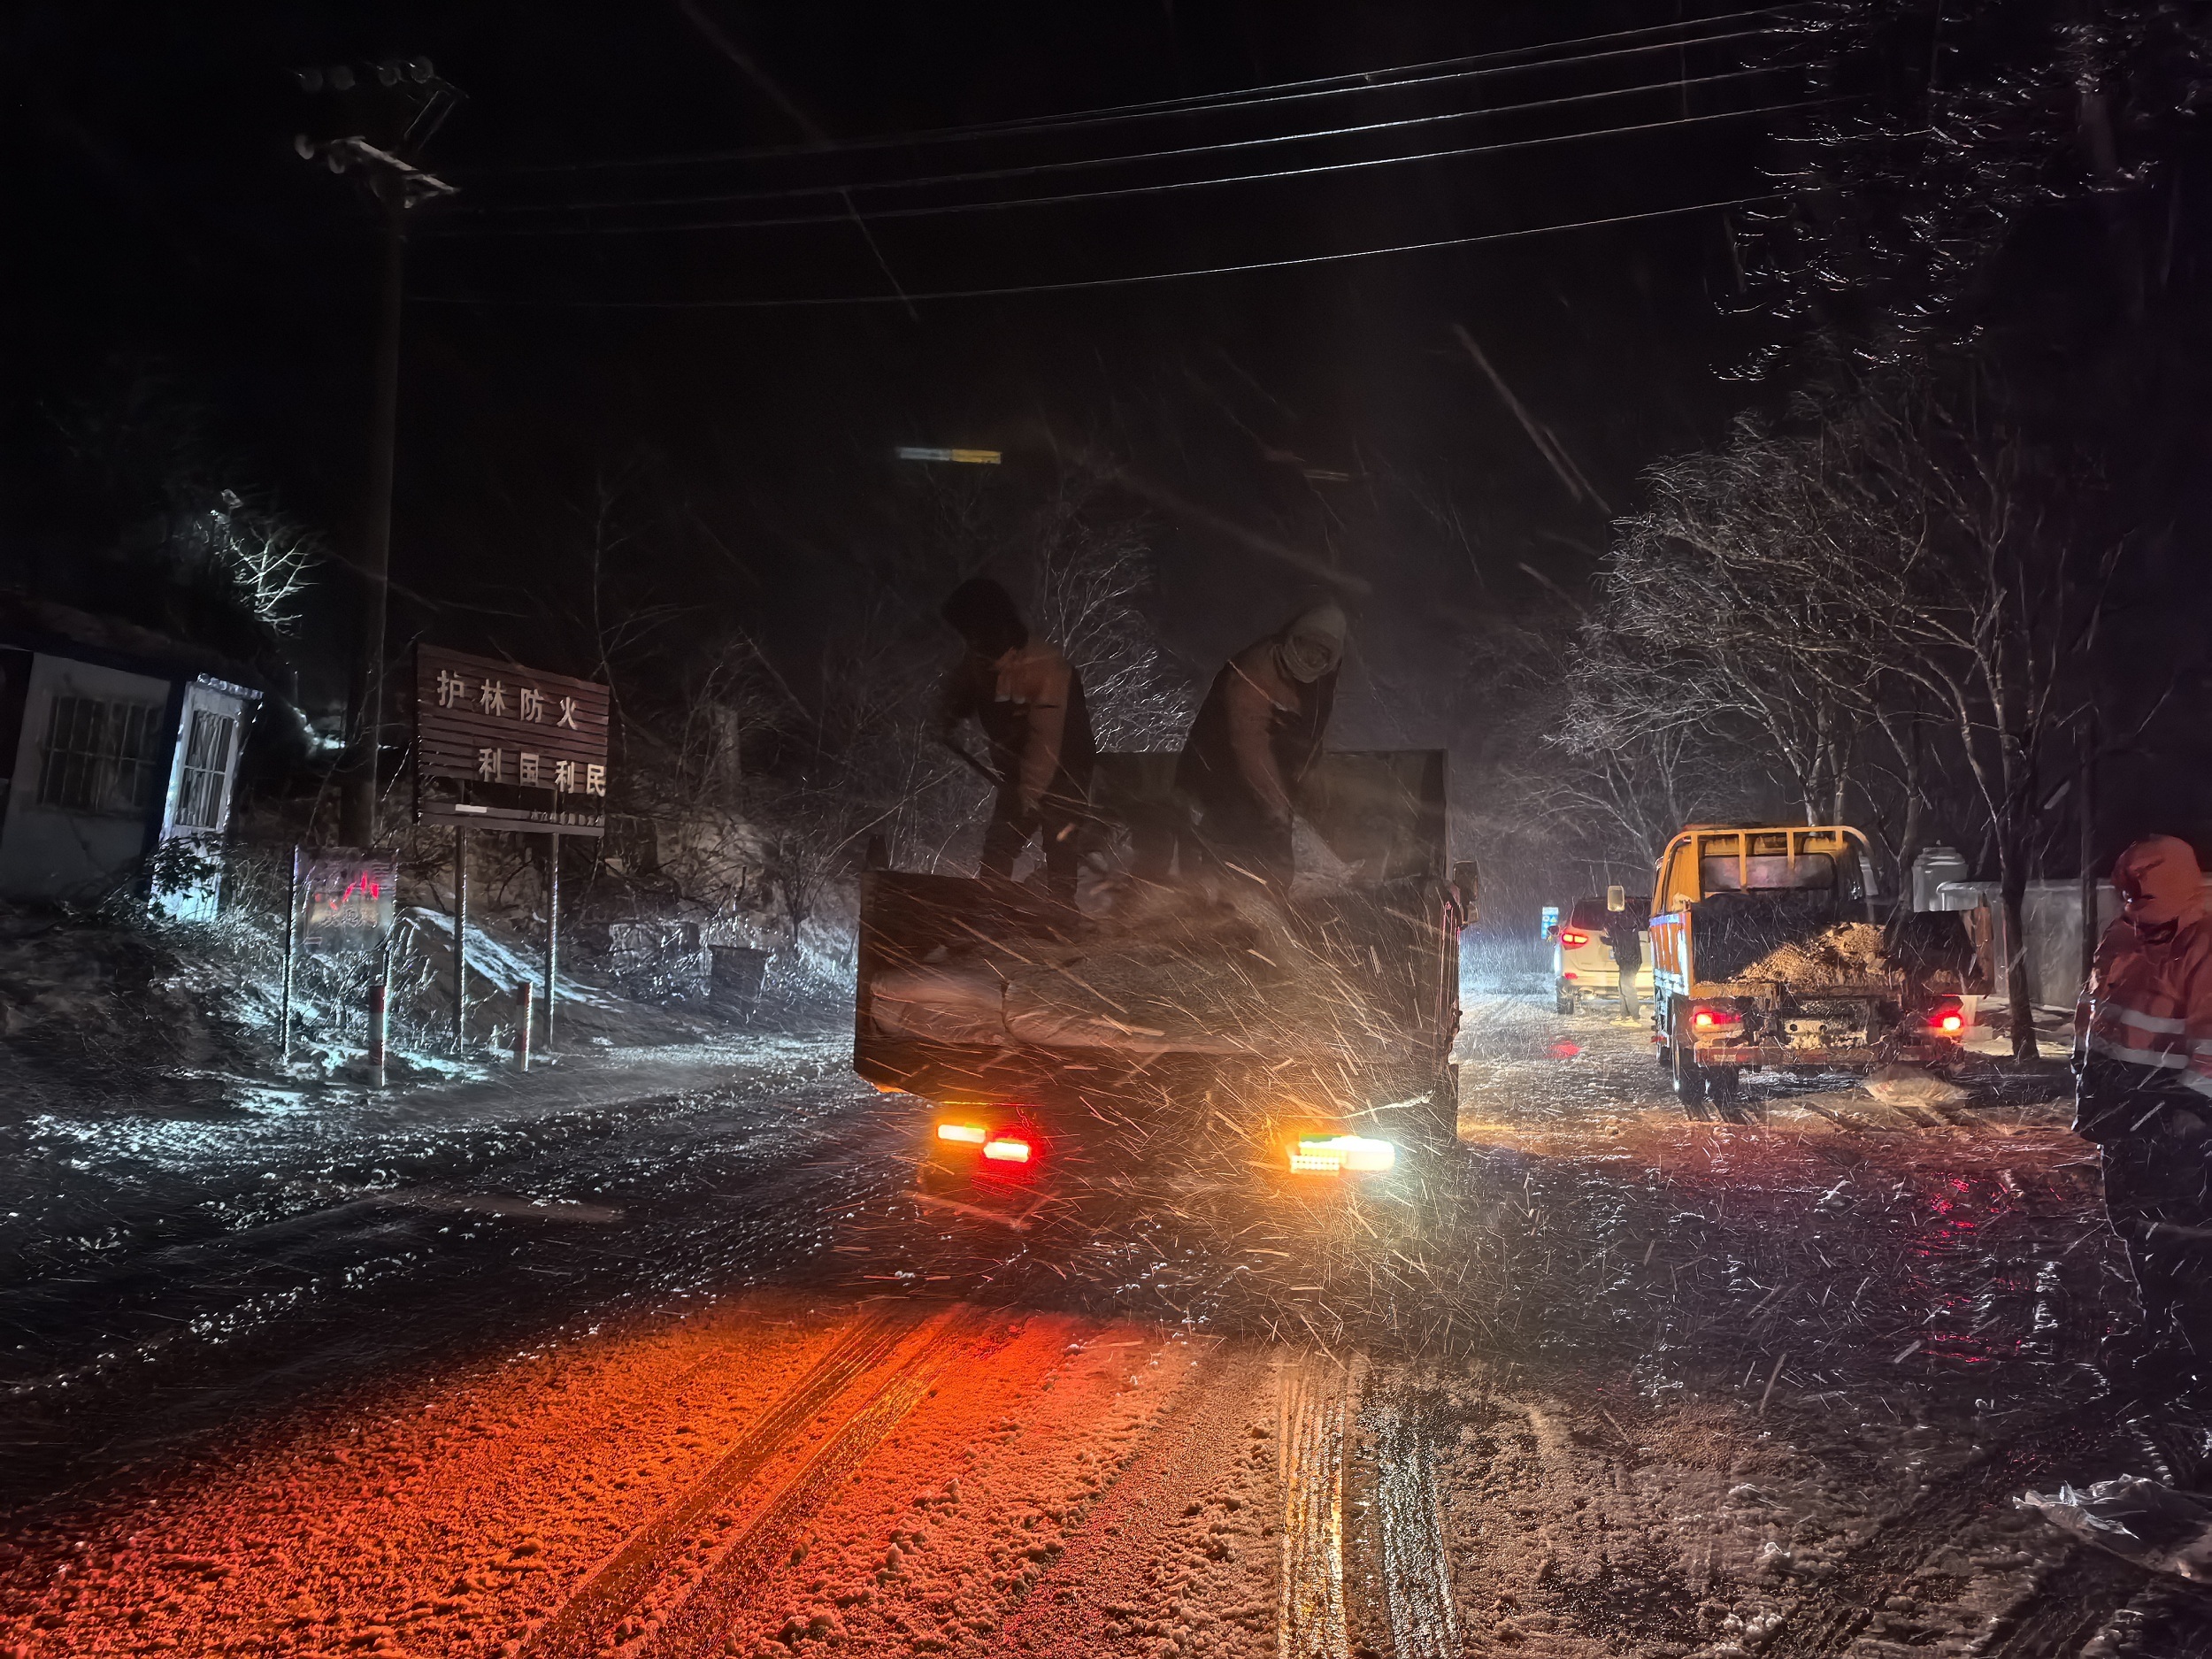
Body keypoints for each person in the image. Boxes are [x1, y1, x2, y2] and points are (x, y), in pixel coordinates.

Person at [2074, 834, 2212, 1386]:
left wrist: (2190, 1111)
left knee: (2182, 1233)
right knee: (2135, 1225)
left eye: (2145, 896)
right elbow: (2095, 1014)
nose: (2135, 906)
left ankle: (2193, 1349)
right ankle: (2161, 1331)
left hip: (2176, 1116)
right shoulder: (2121, 936)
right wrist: (2088, 1080)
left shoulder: (2203, 945)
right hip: (2126, 1109)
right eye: (2129, 895)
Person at [936, 577, 1095, 904]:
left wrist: (1029, 793)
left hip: (1067, 770)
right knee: (999, 844)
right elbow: (962, 689)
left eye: (976, 635)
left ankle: (1062, 912)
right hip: (1016, 769)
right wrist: (946, 718)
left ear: (996, 628)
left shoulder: (1047, 667)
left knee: (1060, 844)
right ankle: (989, 910)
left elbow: (1047, 739)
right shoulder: (981, 658)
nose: (972, 644)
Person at [1171, 602, 1346, 895]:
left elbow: (1313, 729)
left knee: (1270, 869)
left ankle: (1259, 905)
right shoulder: (1252, 675)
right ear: (1292, 639)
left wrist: (1310, 775)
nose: (1312, 657)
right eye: (1307, 648)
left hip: (1263, 788)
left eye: (1322, 654)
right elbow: (1250, 745)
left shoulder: (1322, 677)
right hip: (1217, 786)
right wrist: (1277, 810)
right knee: (1225, 865)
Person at [1605, 904, 1643, 1020]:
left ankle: (1634, 1015)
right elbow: (1620, 939)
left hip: (1629, 961)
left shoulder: (1625, 925)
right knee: (1623, 987)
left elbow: (1621, 938)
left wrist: (1610, 933)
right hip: (1627, 960)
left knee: (1626, 986)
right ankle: (1625, 1014)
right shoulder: (1626, 925)